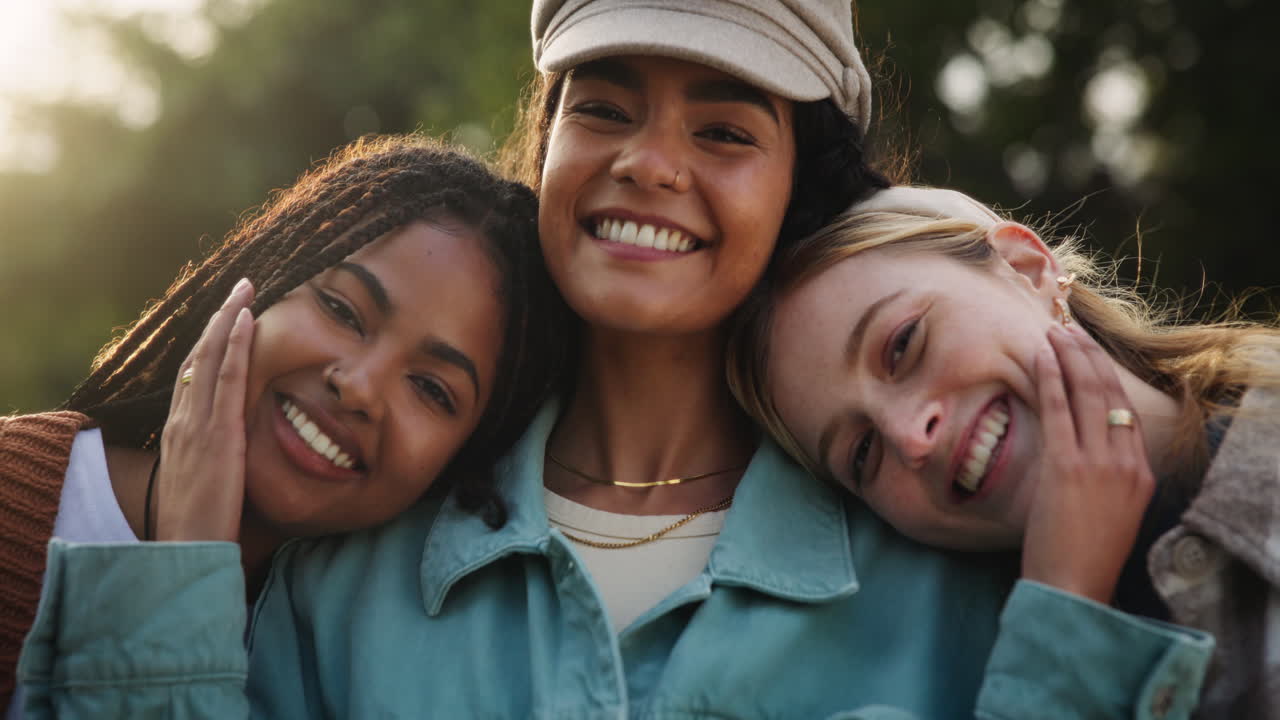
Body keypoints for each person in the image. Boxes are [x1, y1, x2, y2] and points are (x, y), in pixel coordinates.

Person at [18, 4, 1213, 719]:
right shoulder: (352, 576)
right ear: (545, 144)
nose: (649, 162)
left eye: (723, 127)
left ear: (801, 177)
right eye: (604, 107)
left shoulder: (968, 553)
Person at [2, 134, 566, 715]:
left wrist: (191, 572)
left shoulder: (370, 675)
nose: (361, 387)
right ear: (265, 283)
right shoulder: (16, 498)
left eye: (431, 389)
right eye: (343, 310)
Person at [730, 184, 1279, 718]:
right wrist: (1064, 610)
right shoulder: (966, 685)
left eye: (902, 345)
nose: (907, 436)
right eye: (862, 452)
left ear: (1027, 269)